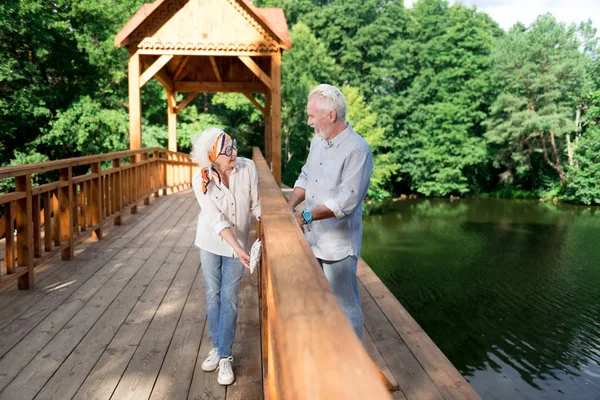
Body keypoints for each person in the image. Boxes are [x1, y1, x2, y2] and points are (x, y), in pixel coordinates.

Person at [287, 84, 374, 339]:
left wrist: (305, 216)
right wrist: (291, 205)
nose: (308, 121)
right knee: (319, 300)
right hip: (312, 240)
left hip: (337, 245)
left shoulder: (358, 150)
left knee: (346, 306)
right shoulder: (318, 141)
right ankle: (329, 352)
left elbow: (344, 203)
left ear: (331, 116)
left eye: (312, 116)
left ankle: (353, 364)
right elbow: (306, 174)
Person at [190, 127, 261, 385]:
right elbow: (216, 220)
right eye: (227, 150)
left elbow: (257, 205)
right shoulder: (200, 180)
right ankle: (218, 347)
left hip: (238, 243)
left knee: (229, 298)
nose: (234, 153)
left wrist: (269, 224)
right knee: (213, 295)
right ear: (212, 157)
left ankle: (225, 356)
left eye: (234, 147)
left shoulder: (248, 167)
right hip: (211, 242)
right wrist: (239, 249)